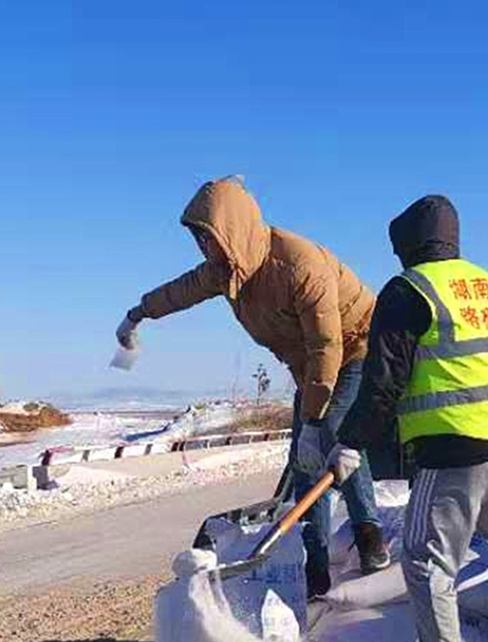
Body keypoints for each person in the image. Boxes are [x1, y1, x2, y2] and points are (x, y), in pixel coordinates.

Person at [116, 176, 389, 597]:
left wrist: (314, 419)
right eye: (200, 241)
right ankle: (314, 565)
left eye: (208, 238)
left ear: (233, 229)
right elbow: (181, 291)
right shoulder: (228, 272)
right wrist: (138, 313)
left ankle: (369, 534)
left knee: (333, 430)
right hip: (308, 363)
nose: (205, 249)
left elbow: (327, 344)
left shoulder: (299, 265)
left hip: (356, 343)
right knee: (305, 460)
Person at [331, 193, 488, 642]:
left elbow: (383, 382)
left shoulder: (407, 290)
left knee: (426, 561)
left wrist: (349, 442)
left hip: (452, 448)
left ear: (407, 244)